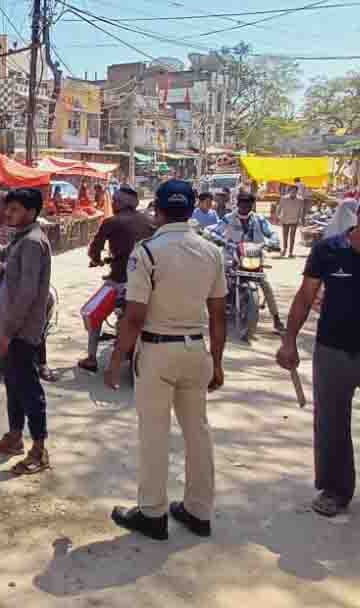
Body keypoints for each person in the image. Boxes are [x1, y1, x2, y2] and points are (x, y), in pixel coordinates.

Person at [106, 179, 227, 541]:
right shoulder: (211, 252)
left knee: (154, 434)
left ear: (156, 211)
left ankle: (153, 513)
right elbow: (219, 315)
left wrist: (117, 359)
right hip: (196, 350)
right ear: (193, 210)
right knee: (198, 432)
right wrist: (217, 363)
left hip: (158, 352)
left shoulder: (148, 252)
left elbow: (135, 316)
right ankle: (198, 511)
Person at [277, 218, 360, 516]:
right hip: (333, 349)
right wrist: (289, 341)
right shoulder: (328, 250)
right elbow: (305, 296)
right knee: (331, 421)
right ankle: (335, 490)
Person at [0, 188, 52, 475]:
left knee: (28, 387)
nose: (8, 214)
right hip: (11, 324)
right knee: (13, 382)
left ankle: (39, 449)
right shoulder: (20, 237)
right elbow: (1, 253)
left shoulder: (33, 243)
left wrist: (7, 332)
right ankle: (14, 437)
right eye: (8, 209)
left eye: (16, 209)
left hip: (21, 328)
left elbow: (26, 294)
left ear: (32, 212)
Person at [79, 187, 156, 373]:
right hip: (149, 280)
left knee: (92, 312)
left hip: (119, 279)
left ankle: (91, 358)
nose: (112, 203)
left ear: (119, 204)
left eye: (114, 200)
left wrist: (96, 260)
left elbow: (94, 249)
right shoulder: (150, 221)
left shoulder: (111, 222)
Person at [208, 192, 285, 334]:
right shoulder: (228, 218)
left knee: (265, 284)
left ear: (252, 205)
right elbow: (213, 231)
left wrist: (271, 242)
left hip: (253, 258)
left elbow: (271, 234)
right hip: (232, 256)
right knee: (219, 278)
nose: (244, 207)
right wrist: (217, 238)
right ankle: (215, 310)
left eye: (247, 204)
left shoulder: (259, 220)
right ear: (237, 204)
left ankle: (276, 319)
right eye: (242, 204)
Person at [276, 179, 310, 258]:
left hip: (294, 220)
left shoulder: (300, 200)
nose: (293, 192)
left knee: (292, 237)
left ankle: (290, 252)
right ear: (289, 191)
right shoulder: (284, 198)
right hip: (285, 219)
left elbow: (301, 211)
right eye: (292, 191)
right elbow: (279, 208)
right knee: (285, 236)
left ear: (297, 191)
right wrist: (278, 216)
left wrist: (301, 219)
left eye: (295, 191)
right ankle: (284, 249)